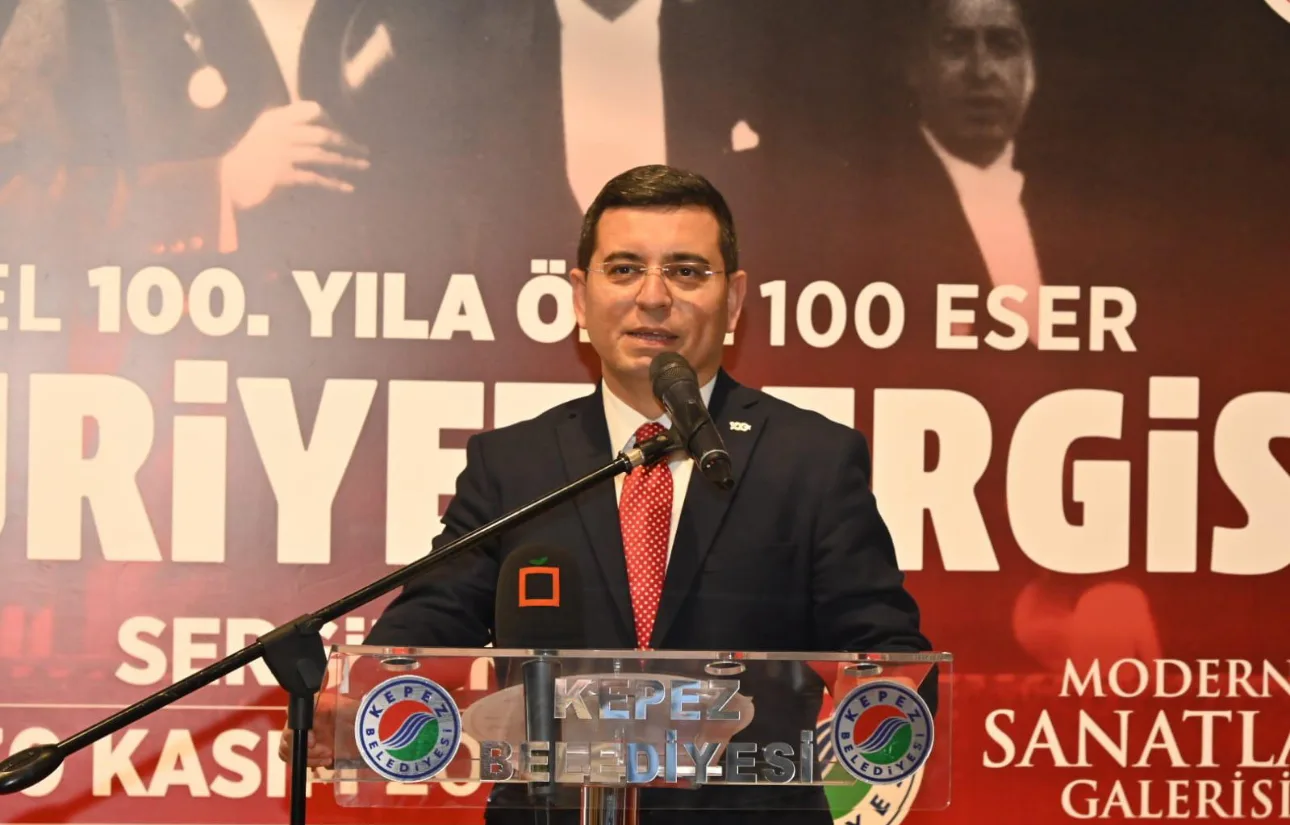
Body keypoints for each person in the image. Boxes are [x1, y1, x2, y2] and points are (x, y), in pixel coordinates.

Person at [279, 164, 931, 823]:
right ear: (580, 295)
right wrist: (370, 697)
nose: (654, 296)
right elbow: (433, 620)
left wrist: (882, 688)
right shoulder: (516, 463)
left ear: (733, 300)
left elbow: (885, 651)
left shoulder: (811, 460)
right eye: (624, 269)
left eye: (686, 271)